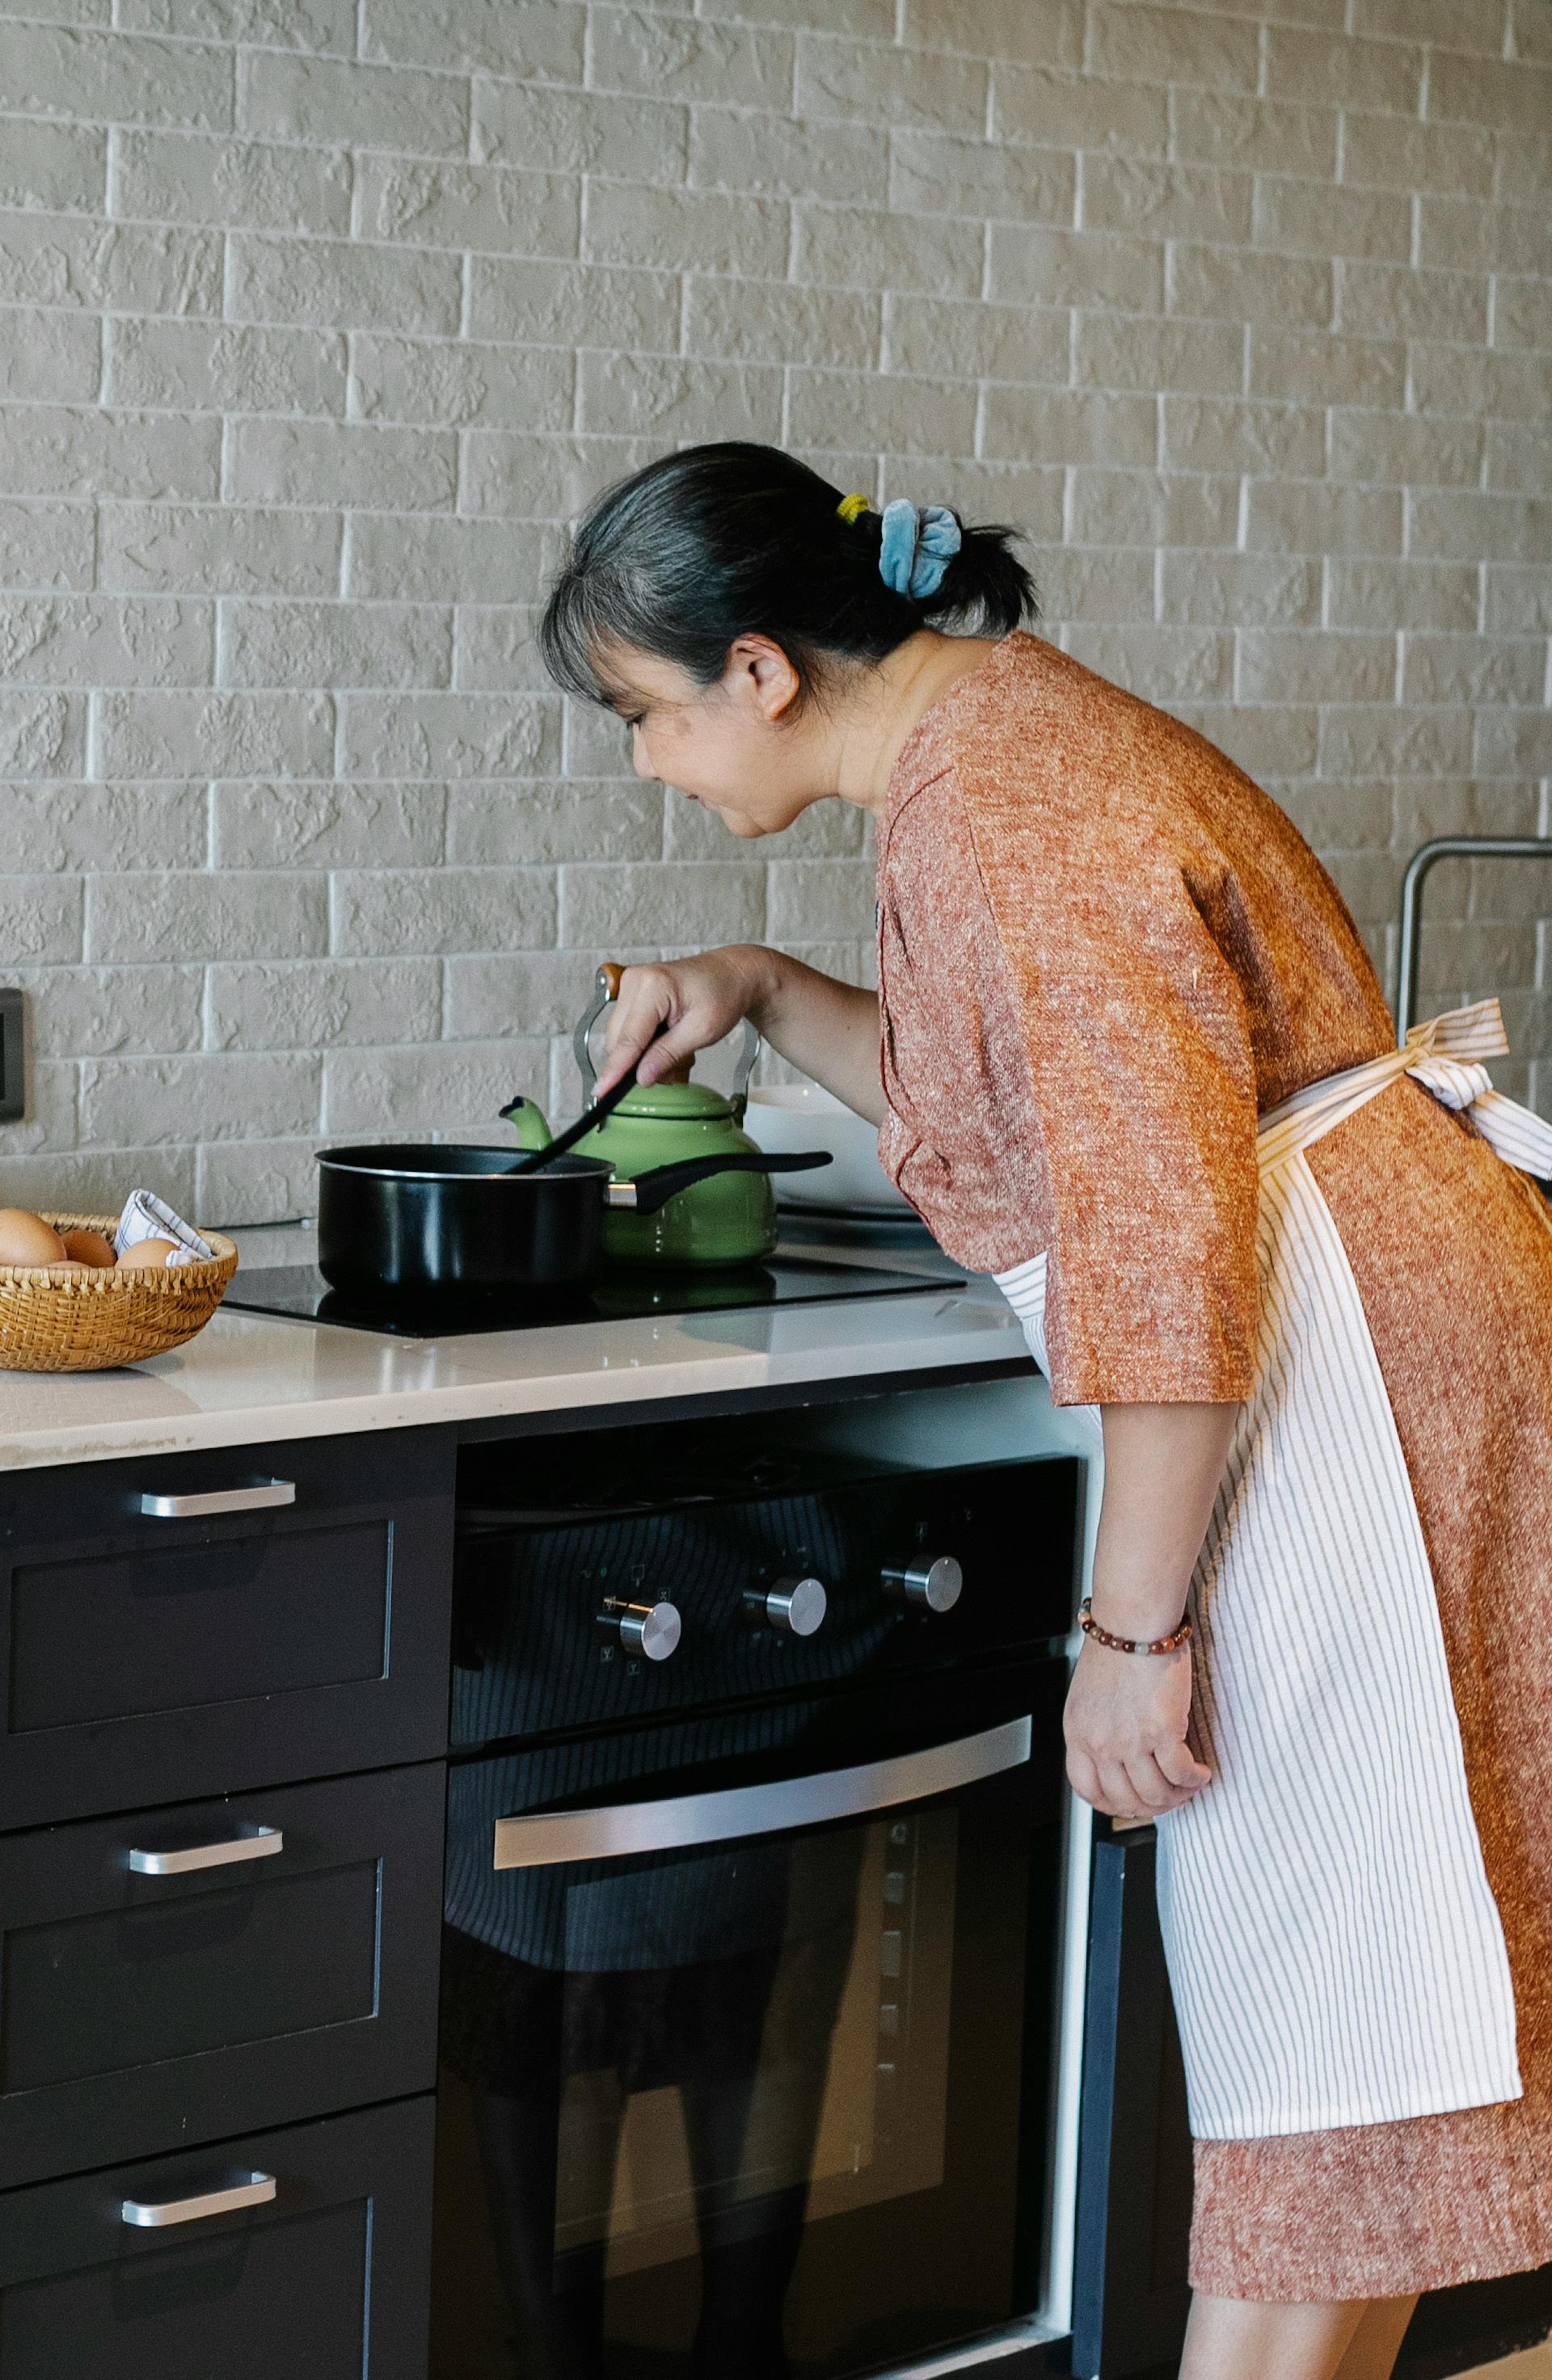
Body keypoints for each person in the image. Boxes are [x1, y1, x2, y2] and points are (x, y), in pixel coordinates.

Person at [536, 440, 1552, 2380]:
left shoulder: (1009, 798)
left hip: (1349, 1383)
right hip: (1356, 1341)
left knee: (1336, 2015)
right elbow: (1000, 1095)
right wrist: (754, 982)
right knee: (1353, 2007)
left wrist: (1132, 1630)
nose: (648, 767)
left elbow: (1161, 1239)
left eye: (643, 719)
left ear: (759, 671)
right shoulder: (978, 755)